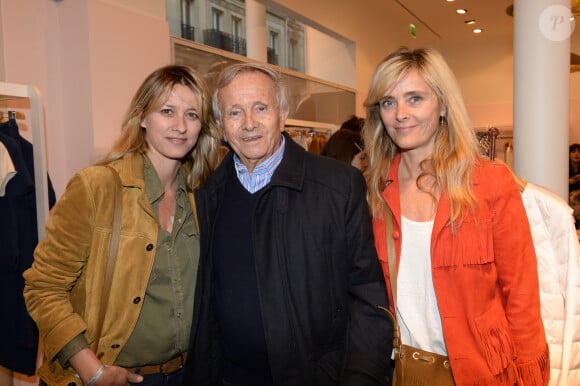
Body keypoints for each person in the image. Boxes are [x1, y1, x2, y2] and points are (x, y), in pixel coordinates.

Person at [183, 62, 393, 386]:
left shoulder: (338, 187)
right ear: (221, 125)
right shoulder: (207, 197)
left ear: (282, 114)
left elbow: (368, 299)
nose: (249, 124)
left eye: (261, 108)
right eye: (235, 113)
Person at [23, 65, 220, 386]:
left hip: (186, 374)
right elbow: (43, 287)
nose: (181, 126)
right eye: (167, 111)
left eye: (193, 115)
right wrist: (92, 370)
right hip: (110, 376)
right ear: (142, 117)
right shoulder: (97, 187)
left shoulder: (202, 197)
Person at [362, 47, 549, 385]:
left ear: (444, 105)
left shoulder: (490, 183)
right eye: (388, 102)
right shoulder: (372, 190)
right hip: (401, 372)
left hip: (482, 373)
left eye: (415, 98)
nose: (400, 114)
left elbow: (522, 297)